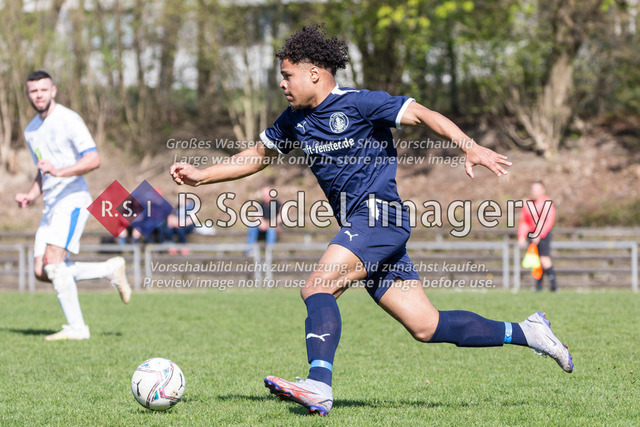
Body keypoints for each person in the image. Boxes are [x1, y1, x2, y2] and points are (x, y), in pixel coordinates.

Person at [170, 24, 573, 415]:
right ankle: (529, 331)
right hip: (366, 228)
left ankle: (319, 384)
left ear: (315, 74)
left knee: (318, 286)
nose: (282, 83)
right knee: (427, 325)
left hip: (380, 218)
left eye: (288, 75)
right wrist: (202, 176)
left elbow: (423, 114)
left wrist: (468, 145)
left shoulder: (361, 103)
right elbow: (259, 156)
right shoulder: (294, 120)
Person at [16, 70, 132, 341]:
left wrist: (60, 171)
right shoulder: (31, 130)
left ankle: (77, 328)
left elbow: (93, 159)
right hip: (50, 206)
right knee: (42, 271)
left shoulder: (69, 119)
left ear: (53, 90)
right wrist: (32, 195)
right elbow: (43, 170)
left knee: (54, 263)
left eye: (43, 90)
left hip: (72, 200)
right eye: (33, 91)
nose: (39, 95)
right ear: (28, 94)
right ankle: (109, 269)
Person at [518, 180, 557, 291]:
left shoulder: (547, 203)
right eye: (533, 189)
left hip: (543, 235)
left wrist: (539, 234)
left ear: (543, 190)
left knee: (544, 259)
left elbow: (548, 220)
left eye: (537, 189)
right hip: (532, 235)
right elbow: (524, 221)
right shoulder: (527, 204)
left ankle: (554, 286)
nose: (534, 192)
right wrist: (521, 236)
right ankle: (538, 287)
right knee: (536, 262)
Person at [246, 186, 282, 251]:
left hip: (274, 226)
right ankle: (249, 251)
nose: (265, 197)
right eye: (264, 195)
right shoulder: (261, 204)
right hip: (263, 226)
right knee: (252, 226)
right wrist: (262, 224)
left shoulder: (277, 203)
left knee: (271, 229)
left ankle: (269, 252)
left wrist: (270, 224)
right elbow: (257, 216)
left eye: (267, 195)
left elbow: (281, 216)